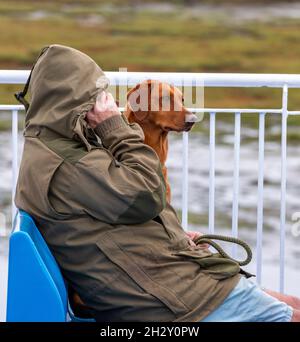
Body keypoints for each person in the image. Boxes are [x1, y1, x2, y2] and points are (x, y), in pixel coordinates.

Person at [15, 44, 300, 322]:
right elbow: (146, 195)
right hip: (168, 299)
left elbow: (115, 215)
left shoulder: (57, 148)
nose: (108, 104)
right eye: (96, 96)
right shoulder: (69, 164)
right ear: (72, 102)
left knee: (293, 304)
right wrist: (114, 126)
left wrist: (175, 237)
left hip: (167, 279)